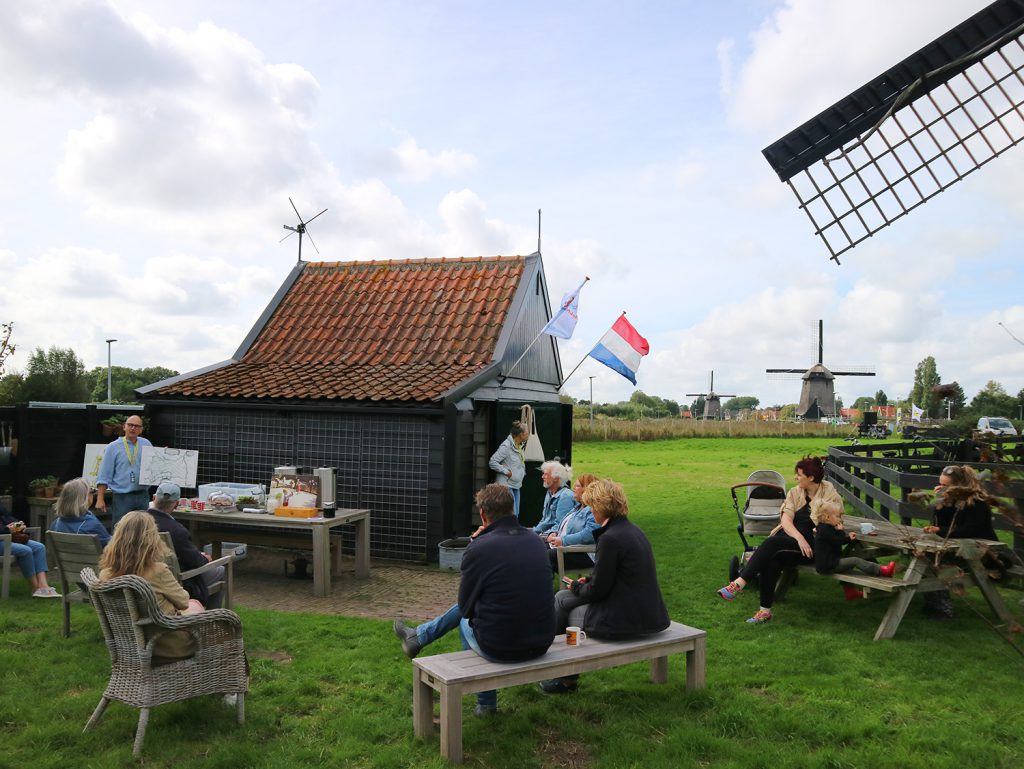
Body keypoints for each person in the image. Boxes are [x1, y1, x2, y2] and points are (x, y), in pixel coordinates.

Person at [392, 483, 555, 716]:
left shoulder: (480, 548)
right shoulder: (536, 541)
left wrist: (474, 545)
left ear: (482, 514)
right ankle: (417, 636)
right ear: (513, 509)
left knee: (464, 621)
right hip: (542, 641)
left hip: (502, 647)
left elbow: (466, 608)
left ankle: (486, 705)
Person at [541, 479, 669, 694]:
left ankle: (562, 677)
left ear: (600, 507)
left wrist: (577, 587)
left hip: (625, 619)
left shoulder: (610, 539)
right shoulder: (633, 531)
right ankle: (562, 674)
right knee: (562, 597)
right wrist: (587, 581)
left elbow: (598, 592)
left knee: (562, 601)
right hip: (647, 612)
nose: (591, 511)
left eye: (592, 507)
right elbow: (617, 576)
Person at [717, 456, 843, 624]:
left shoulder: (829, 493)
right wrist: (799, 538)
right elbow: (785, 520)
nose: (796, 478)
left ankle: (738, 584)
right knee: (772, 558)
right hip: (795, 541)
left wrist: (805, 539)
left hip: (814, 545)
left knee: (771, 544)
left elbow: (832, 519)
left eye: (799, 475)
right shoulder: (795, 492)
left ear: (811, 477)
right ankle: (764, 612)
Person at [98, 510, 204, 660]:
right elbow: (183, 602)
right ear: (151, 539)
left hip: (128, 644)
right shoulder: (158, 572)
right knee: (196, 605)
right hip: (166, 644)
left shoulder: (105, 574)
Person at [921, 465, 1001, 620]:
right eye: (940, 485)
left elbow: (967, 530)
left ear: (959, 485)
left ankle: (943, 609)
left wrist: (938, 530)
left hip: (982, 552)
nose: (941, 488)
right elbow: (941, 523)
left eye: (946, 486)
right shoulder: (952, 500)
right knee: (927, 556)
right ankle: (932, 604)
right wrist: (940, 503)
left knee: (939, 560)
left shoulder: (976, 501)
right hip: (960, 548)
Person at [146, 482, 224, 608]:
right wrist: (204, 558)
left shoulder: (139, 522)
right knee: (220, 569)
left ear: (154, 498)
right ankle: (212, 618)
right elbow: (194, 561)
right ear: (176, 504)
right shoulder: (177, 530)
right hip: (176, 580)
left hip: (145, 575)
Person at [813, 501, 896, 600]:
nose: (840, 519)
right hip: (828, 565)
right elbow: (838, 541)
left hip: (827, 563)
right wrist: (841, 531)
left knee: (848, 563)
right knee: (855, 560)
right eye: (838, 516)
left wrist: (848, 538)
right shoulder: (825, 530)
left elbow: (836, 540)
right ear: (827, 518)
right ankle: (882, 570)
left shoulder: (824, 528)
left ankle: (850, 592)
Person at [95, 414, 152, 525]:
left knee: (143, 530)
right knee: (120, 530)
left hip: (143, 495)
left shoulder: (146, 444)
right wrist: (100, 498)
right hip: (122, 497)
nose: (133, 428)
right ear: (124, 426)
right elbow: (104, 475)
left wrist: (163, 456)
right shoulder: (113, 447)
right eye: (130, 425)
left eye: (136, 426)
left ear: (141, 430)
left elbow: (154, 465)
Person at [544, 473, 601, 573]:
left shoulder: (593, 510)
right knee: (536, 547)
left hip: (583, 553)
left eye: (577, 486)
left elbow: (589, 535)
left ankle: (542, 586)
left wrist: (563, 540)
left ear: (586, 489)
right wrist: (553, 533)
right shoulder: (577, 508)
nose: (573, 488)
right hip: (565, 547)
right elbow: (563, 526)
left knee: (545, 555)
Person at [1, 512, 60, 598]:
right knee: (25, 550)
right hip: (2, 539)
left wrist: (18, 524)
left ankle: (44, 585)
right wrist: (7, 529)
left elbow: (7, 517)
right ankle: (36, 588)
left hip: (8, 538)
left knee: (39, 547)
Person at [49, 477, 112, 547]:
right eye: (91, 491)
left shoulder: (55, 525)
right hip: (92, 557)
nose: (93, 494)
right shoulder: (92, 525)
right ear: (84, 497)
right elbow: (111, 546)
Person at [488, 421, 528, 517]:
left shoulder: (520, 446)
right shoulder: (506, 446)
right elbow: (492, 462)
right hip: (506, 485)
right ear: (520, 434)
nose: (528, 435)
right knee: (510, 515)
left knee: (515, 514)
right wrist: (506, 471)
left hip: (516, 485)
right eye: (527, 433)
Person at [532, 460, 575, 536]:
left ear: (556, 478)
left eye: (546, 474)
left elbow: (560, 525)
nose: (542, 477)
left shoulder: (565, 496)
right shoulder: (550, 492)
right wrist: (533, 532)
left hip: (557, 538)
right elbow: (545, 521)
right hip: (548, 535)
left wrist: (540, 536)